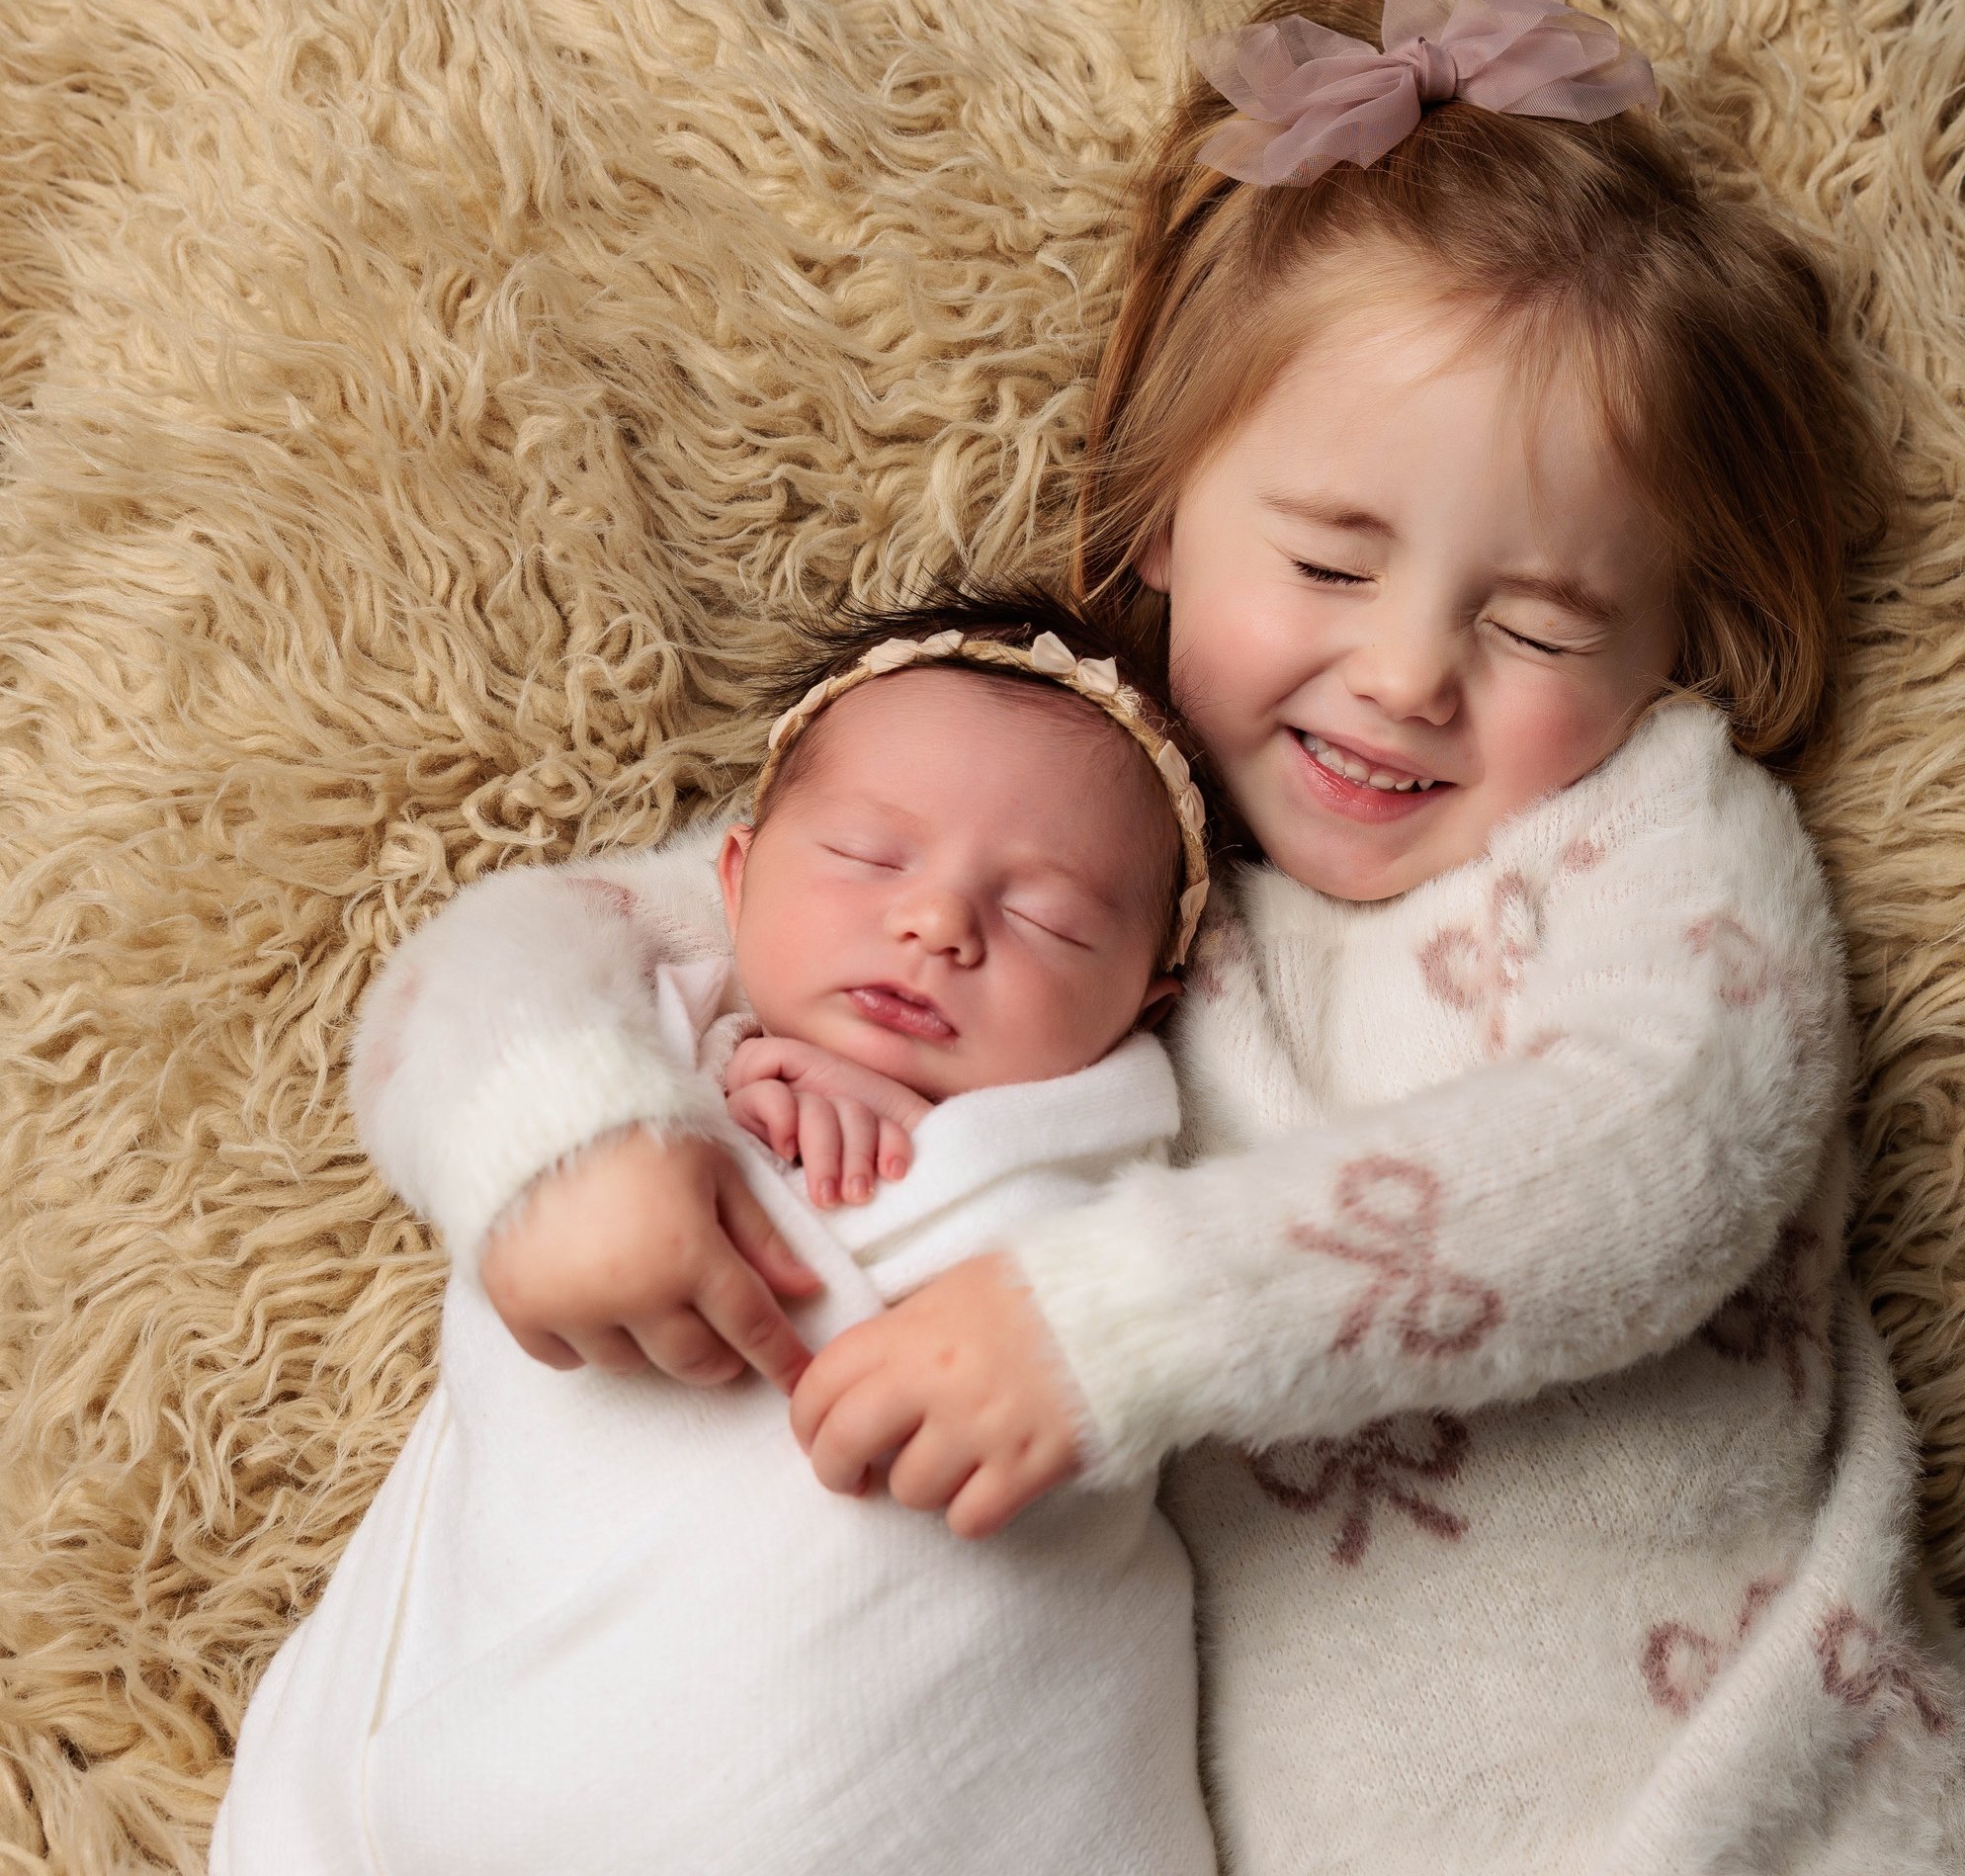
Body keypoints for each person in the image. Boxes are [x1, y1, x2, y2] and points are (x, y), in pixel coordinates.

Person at [326, 0, 1965, 1873]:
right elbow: (507, 950)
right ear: (1164, 509)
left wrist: (1122, 1323)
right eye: (1330, 564)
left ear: (1673, 639)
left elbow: (1662, 1148)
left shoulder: (1635, 836)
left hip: (1779, 1795)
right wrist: (563, 1141)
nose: (1409, 676)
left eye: (1532, 622)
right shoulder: (1075, 835)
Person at [210, 602, 1221, 1876]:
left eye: (1050, 922)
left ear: (1148, 1004)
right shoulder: (655, 1048)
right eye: (866, 855)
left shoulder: (1113, 1176)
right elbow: (451, 1025)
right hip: (548, 1760)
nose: (938, 924)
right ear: (734, 881)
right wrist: (667, 1122)